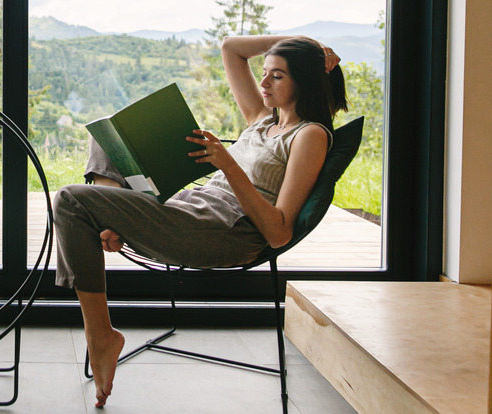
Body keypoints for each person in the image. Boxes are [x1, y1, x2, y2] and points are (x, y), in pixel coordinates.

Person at [53, 35, 348, 408]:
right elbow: (230, 48)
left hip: (221, 233)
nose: (264, 83)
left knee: (69, 200)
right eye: (264, 73)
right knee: (107, 139)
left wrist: (227, 163)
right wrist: (303, 43)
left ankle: (101, 335)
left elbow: (278, 232)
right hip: (188, 209)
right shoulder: (261, 120)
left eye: (278, 76)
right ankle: (110, 225)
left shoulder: (309, 136)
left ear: (303, 82)